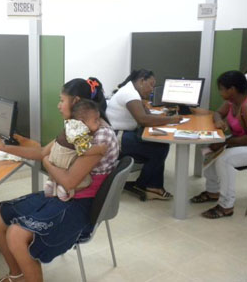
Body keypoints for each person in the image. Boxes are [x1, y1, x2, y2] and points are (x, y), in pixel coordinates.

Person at [0, 78, 119, 282]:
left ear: (75, 101)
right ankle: (17, 275)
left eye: (61, 100)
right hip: (61, 194)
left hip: (80, 204)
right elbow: (40, 152)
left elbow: (69, 182)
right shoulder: (75, 126)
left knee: (15, 234)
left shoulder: (98, 137)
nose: (58, 106)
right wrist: (3, 147)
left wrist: (48, 163)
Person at [106, 69, 182, 200]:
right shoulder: (130, 93)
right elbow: (143, 120)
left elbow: (146, 115)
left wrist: (145, 106)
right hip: (117, 138)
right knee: (159, 149)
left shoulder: (131, 91)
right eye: (151, 85)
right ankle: (146, 185)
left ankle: (151, 185)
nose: (152, 90)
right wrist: (172, 119)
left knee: (159, 145)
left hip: (120, 134)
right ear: (142, 81)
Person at [190, 70, 247, 219]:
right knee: (207, 149)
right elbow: (217, 113)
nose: (220, 92)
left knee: (224, 159)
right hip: (237, 141)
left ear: (232, 90)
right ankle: (212, 191)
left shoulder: (246, 106)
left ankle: (226, 206)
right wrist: (218, 121)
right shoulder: (232, 102)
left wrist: (224, 143)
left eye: (221, 89)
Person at [44, 99, 108, 201]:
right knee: (85, 181)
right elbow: (85, 151)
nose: (99, 123)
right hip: (65, 157)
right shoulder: (80, 131)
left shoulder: (71, 124)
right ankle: (64, 190)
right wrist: (99, 149)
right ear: (82, 122)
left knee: (57, 170)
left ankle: (51, 182)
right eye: (96, 120)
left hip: (55, 154)